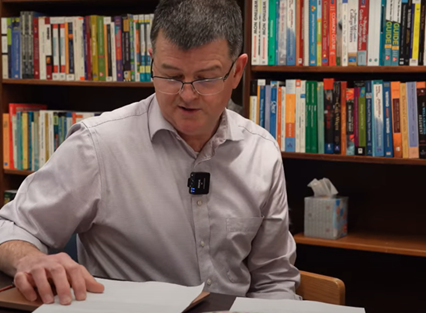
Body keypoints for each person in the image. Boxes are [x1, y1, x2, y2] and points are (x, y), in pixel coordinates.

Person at [0, 0, 301, 306]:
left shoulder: (261, 152)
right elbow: (12, 227)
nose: (186, 95)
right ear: (152, 62)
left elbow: (274, 278)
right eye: (170, 76)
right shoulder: (98, 145)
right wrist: (28, 258)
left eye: (206, 78)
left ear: (236, 72)